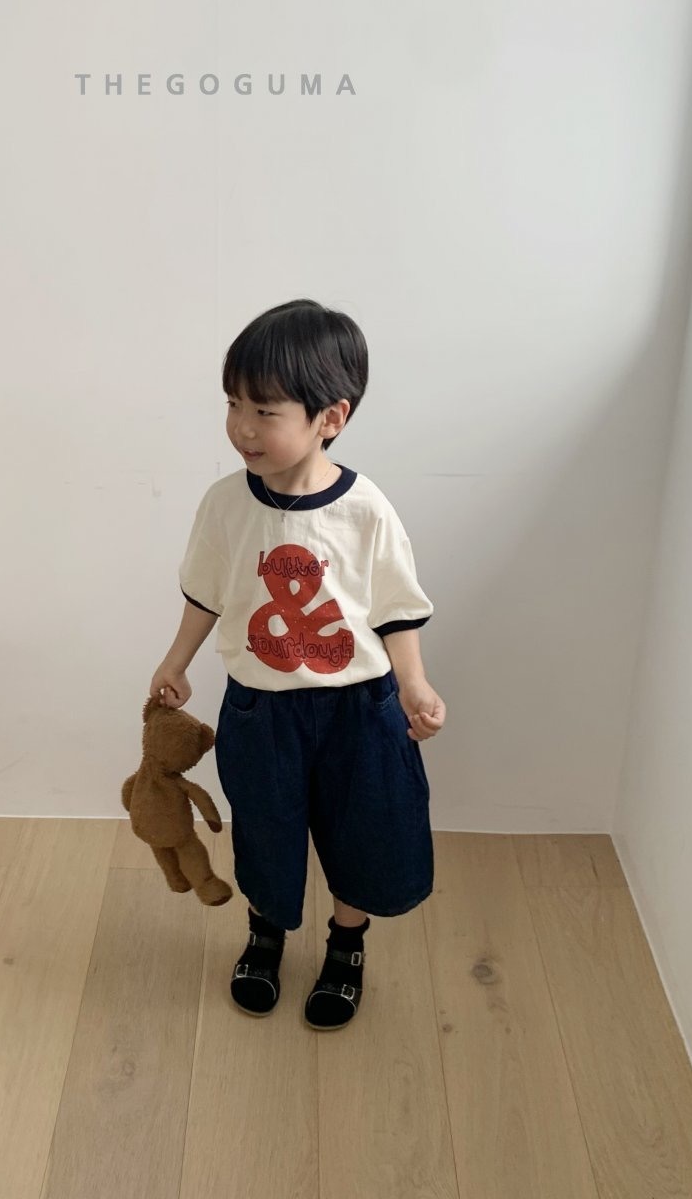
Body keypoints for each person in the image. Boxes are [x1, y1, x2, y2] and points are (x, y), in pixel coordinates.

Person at [149, 298, 447, 1032]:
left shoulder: (365, 509)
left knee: (362, 828)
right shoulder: (226, 505)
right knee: (266, 826)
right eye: (233, 405)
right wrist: (176, 661)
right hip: (262, 709)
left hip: (359, 707)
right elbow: (208, 592)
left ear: (330, 418)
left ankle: (346, 944)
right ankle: (266, 935)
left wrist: (414, 684)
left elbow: (395, 607)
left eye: (265, 411)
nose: (242, 428)